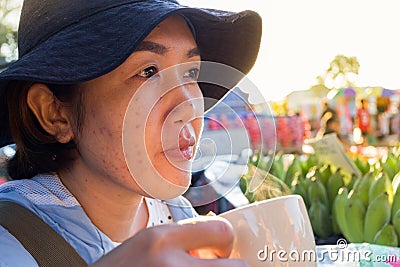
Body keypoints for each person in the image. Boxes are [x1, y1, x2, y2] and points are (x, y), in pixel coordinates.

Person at [0, 0, 261, 266]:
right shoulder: (11, 241)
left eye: (191, 72)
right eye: (148, 72)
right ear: (53, 113)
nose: (190, 106)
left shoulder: (178, 213)